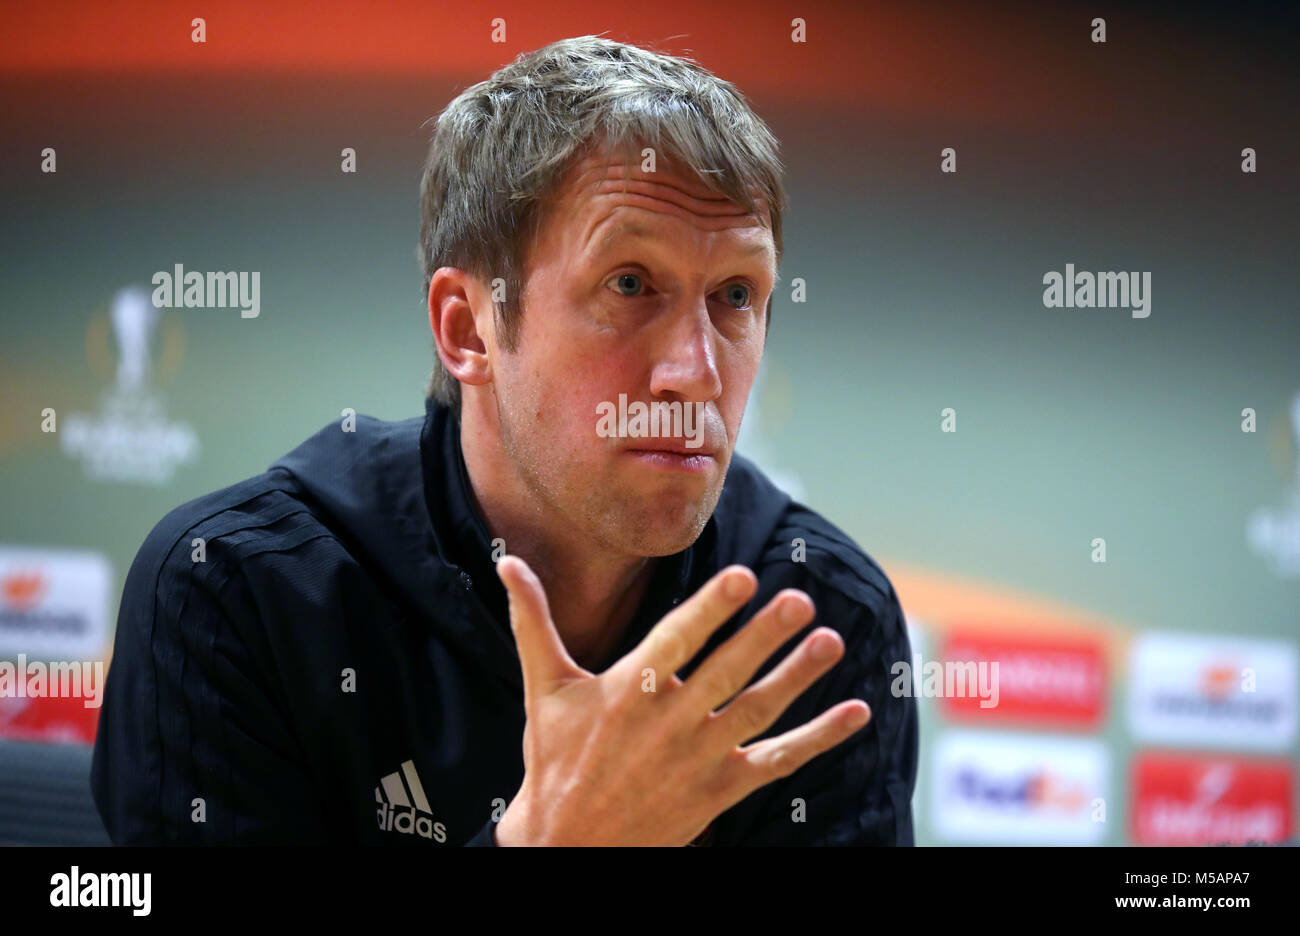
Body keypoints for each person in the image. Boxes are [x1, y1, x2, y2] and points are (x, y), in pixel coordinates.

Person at [91, 34, 918, 846]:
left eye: (736, 294)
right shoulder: (234, 593)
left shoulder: (819, 625)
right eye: (629, 284)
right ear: (469, 329)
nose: (696, 374)